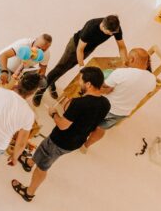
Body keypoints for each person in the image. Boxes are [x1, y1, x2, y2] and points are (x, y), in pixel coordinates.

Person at [12, 67, 110, 202]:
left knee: (43, 167)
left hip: (59, 141)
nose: (79, 83)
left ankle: (29, 192)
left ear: (88, 84)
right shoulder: (106, 103)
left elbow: (63, 125)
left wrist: (53, 113)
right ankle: (29, 162)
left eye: (81, 81)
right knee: (42, 148)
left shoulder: (79, 103)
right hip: (76, 141)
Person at [33, 15, 127, 106]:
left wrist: (125, 63)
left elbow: (122, 47)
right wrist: (82, 68)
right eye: (109, 33)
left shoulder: (115, 28)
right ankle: (40, 91)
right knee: (59, 68)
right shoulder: (91, 26)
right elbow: (79, 49)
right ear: (103, 25)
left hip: (87, 50)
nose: (111, 35)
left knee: (66, 69)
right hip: (75, 47)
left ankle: (52, 83)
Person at [81, 48, 156, 153]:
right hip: (122, 113)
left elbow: (102, 88)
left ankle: (76, 138)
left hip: (104, 106)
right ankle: (86, 146)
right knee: (101, 129)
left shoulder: (121, 73)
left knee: (86, 121)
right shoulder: (152, 80)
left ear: (132, 59)